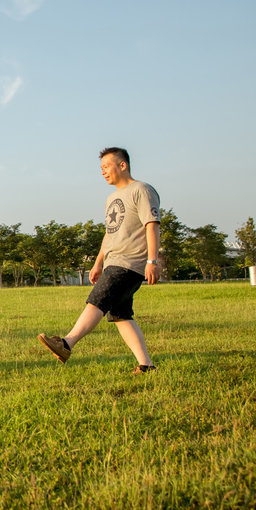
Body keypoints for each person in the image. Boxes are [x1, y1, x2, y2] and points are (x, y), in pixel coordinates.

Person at [38, 147, 161, 373]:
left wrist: (152, 261)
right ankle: (146, 365)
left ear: (122, 165)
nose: (103, 172)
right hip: (113, 261)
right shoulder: (111, 198)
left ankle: (67, 343)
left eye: (106, 167)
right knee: (121, 315)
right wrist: (97, 263)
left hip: (129, 262)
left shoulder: (141, 190)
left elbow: (151, 225)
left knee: (97, 301)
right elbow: (110, 232)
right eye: (101, 169)